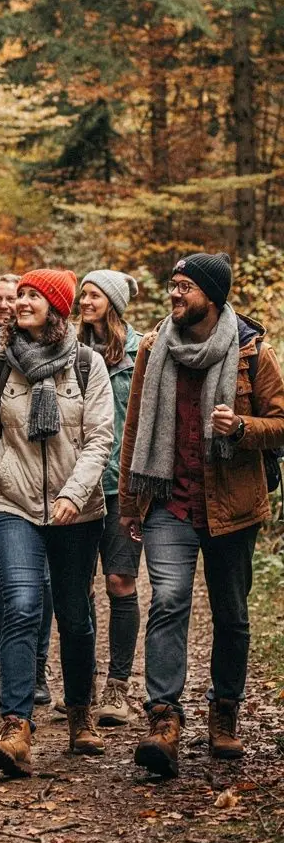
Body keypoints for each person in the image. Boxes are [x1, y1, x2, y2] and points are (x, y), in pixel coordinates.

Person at [120, 252, 284, 779]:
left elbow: (281, 422)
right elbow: (134, 427)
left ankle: (224, 711)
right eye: (173, 284)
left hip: (233, 505)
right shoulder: (154, 345)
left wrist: (241, 428)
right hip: (168, 499)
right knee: (168, 600)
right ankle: (164, 719)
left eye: (185, 286)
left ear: (211, 297)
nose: (174, 294)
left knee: (231, 613)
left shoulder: (253, 353)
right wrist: (130, 502)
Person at [0, 268, 114, 777]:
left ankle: (79, 714)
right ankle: (17, 727)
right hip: (13, 505)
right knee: (22, 605)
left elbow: (99, 441)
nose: (21, 302)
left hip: (78, 510)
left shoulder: (88, 366)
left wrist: (74, 493)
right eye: (19, 294)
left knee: (73, 614)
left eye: (33, 296)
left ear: (57, 307)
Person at [0, 274, 54, 711]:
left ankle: (35, 668)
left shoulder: (71, 359)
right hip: (3, 491)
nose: (9, 304)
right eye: (1, 298)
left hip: (59, 496)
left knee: (42, 585)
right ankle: (12, 677)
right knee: (5, 581)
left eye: (18, 296)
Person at [77, 270, 142, 726]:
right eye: (82, 293)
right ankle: (82, 685)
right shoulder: (71, 351)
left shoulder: (142, 353)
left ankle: (117, 688)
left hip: (124, 486)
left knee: (120, 583)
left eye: (93, 294)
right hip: (77, 486)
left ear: (113, 302)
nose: (84, 300)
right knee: (76, 588)